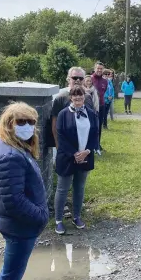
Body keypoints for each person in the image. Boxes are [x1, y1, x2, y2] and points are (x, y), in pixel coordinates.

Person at [0, 102, 49, 280]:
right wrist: (40, 215)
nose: (27, 126)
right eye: (21, 122)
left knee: (8, 272)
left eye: (31, 122)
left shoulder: (10, 146)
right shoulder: (10, 155)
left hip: (14, 224)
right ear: (9, 123)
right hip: (20, 227)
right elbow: (14, 201)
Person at [54, 86, 99, 235]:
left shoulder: (91, 114)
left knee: (79, 188)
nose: (78, 100)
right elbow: (61, 137)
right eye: (75, 97)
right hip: (67, 157)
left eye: (81, 97)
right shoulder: (63, 114)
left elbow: (95, 135)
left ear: (84, 98)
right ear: (70, 98)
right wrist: (75, 154)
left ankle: (77, 216)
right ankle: (58, 220)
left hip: (85, 157)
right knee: (62, 189)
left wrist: (87, 151)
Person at [51, 67, 94, 149]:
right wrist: (58, 146)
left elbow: (92, 123)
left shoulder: (88, 97)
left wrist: (89, 148)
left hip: (85, 147)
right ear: (68, 79)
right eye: (74, 78)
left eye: (81, 78)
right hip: (66, 147)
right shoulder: (60, 98)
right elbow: (54, 125)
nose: (78, 80)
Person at [92, 62, 108, 151]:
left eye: (101, 69)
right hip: (91, 107)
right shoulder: (90, 79)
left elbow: (103, 92)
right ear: (95, 68)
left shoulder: (105, 81)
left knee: (99, 125)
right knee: (91, 126)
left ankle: (98, 145)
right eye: (98, 68)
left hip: (101, 105)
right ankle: (91, 145)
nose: (99, 70)